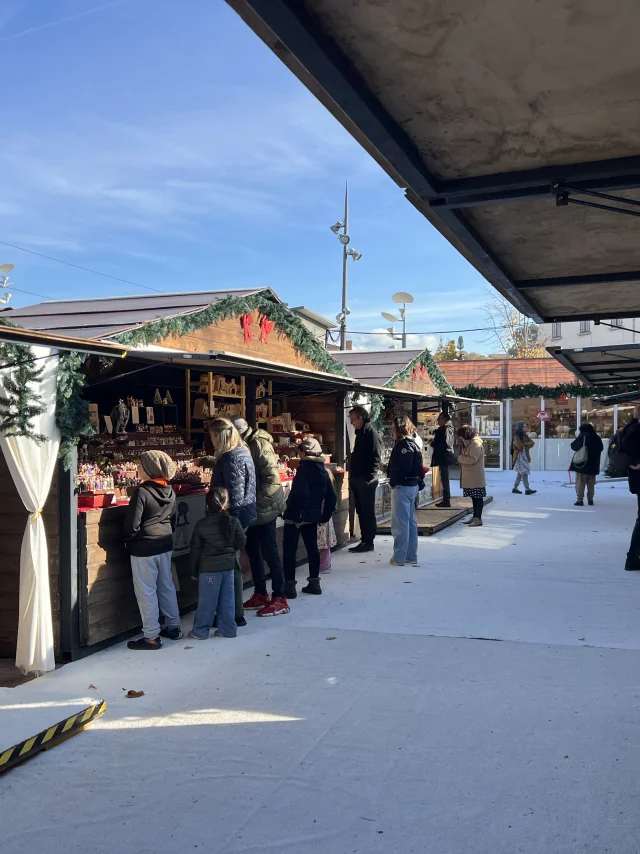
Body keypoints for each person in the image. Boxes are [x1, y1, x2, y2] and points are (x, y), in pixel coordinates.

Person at [229, 416, 289, 618]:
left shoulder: (260, 444)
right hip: (252, 506)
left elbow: (272, 480)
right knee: (253, 551)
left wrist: (257, 503)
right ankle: (261, 592)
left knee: (270, 552)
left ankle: (280, 597)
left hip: (264, 507)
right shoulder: (244, 444)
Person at [123, 450, 182, 651]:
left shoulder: (141, 492)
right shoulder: (171, 491)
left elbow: (132, 524)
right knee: (166, 585)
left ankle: (151, 636)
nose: (137, 468)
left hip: (144, 547)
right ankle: (174, 626)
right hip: (164, 543)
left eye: (140, 465)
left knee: (146, 591)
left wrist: (129, 540)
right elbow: (172, 519)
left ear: (149, 470)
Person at [205, 418, 257, 626]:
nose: (211, 441)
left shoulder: (231, 458)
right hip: (243, 514)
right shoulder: (243, 452)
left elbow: (233, 494)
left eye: (212, 437)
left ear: (219, 436)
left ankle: (232, 612)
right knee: (231, 564)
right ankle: (235, 611)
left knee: (228, 566)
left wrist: (223, 517)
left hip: (231, 517)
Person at [188, 487, 247, 640]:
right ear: (227, 504)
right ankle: (228, 629)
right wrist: (229, 552)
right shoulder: (234, 521)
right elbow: (241, 542)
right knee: (227, 601)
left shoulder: (201, 524)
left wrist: (194, 571)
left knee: (207, 602)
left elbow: (195, 551)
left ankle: (200, 631)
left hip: (208, 569)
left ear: (207, 506)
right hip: (228, 567)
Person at [283, 438, 337, 597]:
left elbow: (301, 493)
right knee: (312, 548)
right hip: (313, 516)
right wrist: (324, 516)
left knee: (289, 550)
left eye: (299, 451)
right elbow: (331, 496)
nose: (298, 454)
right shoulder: (322, 469)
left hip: (297, 516)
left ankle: (290, 586)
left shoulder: (304, 469)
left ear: (305, 452)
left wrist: (295, 514)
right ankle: (314, 583)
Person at [388, 415, 423, 567]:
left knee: (401, 523)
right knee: (410, 522)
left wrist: (393, 480)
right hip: (412, 485)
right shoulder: (414, 444)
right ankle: (411, 555)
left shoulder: (404, 446)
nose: (392, 431)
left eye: (394, 429)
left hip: (403, 486)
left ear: (398, 429)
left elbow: (404, 468)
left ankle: (399, 557)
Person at [348, 405, 382, 554]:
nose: (351, 422)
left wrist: (368, 477)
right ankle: (364, 540)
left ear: (361, 418)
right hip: (357, 478)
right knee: (361, 510)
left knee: (367, 511)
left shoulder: (371, 433)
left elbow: (376, 457)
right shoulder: (360, 433)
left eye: (353, 419)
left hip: (366, 479)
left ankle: (369, 541)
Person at [621, 406, 640, 570]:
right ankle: (632, 558)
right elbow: (627, 451)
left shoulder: (632, 429)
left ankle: (633, 558)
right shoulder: (635, 431)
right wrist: (635, 462)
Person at [457, 426, 486, 528]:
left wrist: (460, 458)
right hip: (471, 476)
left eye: (462, 437)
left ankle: (478, 518)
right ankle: (475, 516)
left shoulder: (475, 444)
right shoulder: (470, 443)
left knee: (478, 498)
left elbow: (473, 459)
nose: (461, 439)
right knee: (474, 498)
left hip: (475, 476)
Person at [570, 422, 604, 506]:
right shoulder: (597, 437)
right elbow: (601, 448)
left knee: (580, 482)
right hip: (594, 464)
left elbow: (573, 446)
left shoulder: (582, 437)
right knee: (591, 483)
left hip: (582, 464)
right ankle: (590, 500)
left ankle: (580, 500)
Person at [430, 412, 455, 508]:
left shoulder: (447, 429)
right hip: (443, 456)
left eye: (439, 418)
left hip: (444, 457)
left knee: (444, 478)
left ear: (444, 419)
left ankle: (446, 500)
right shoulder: (445, 429)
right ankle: (446, 499)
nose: (438, 421)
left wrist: (435, 443)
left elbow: (446, 443)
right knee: (443, 478)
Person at [511, 421, 537, 495]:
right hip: (519, 456)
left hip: (524, 455)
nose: (526, 428)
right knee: (524, 472)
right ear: (520, 427)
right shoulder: (516, 436)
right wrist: (526, 445)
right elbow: (519, 447)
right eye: (525, 426)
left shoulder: (524, 435)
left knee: (520, 473)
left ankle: (515, 488)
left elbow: (532, 443)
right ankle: (527, 489)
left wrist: (524, 444)